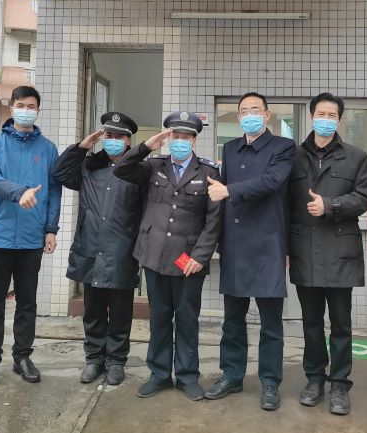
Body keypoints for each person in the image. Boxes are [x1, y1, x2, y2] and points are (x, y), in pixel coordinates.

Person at [113, 111, 222, 402]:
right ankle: (159, 374)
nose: (180, 141)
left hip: (188, 260)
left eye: (186, 137)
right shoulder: (153, 165)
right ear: (168, 137)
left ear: (194, 140)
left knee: (187, 319)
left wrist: (200, 256)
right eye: (175, 136)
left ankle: (187, 376)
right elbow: (121, 169)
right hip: (155, 256)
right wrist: (146, 147)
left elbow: (214, 220)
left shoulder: (208, 172)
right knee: (160, 318)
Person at [205, 92, 296, 411]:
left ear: (267, 115)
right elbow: (218, 192)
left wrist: (228, 190)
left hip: (268, 244)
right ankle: (231, 375)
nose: (249, 115)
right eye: (243, 111)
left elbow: (272, 181)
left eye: (255, 110)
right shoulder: (230, 148)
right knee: (232, 320)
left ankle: (270, 382)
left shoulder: (284, 147)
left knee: (271, 324)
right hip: (235, 244)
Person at [288, 92, 367, 415]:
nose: (326, 119)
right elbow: (283, 205)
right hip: (304, 249)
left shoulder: (356, 157)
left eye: (332, 115)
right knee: (311, 323)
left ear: (340, 119)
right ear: (311, 117)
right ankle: (314, 379)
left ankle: (339, 384)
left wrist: (331, 205)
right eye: (321, 114)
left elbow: (364, 197)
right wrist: (284, 248)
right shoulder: (293, 156)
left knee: (341, 324)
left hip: (340, 252)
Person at [0, 85, 62, 389]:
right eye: (21, 105)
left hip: (31, 237)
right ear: (11, 107)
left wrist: (51, 228)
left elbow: (54, 190)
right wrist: (20, 192)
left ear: (38, 110)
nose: (26, 110)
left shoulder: (48, 149)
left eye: (31, 106)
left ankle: (22, 356)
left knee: (27, 301)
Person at [53, 112, 144, 386]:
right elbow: (59, 173)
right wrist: (82, 147)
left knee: (120, 313)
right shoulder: (88, 166)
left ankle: (116, 361)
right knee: (92, 311)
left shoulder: (139, 171)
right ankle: (94, 359)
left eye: (119, 136)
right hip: (90, 249)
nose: (113, 140)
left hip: (122, 252)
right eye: (109, 135)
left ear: (128, 141)